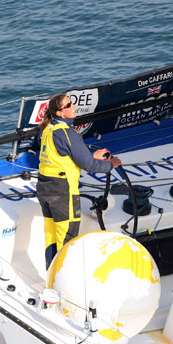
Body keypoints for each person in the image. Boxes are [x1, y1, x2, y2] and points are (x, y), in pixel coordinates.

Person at [37, 93, 122, 269]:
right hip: (62, 192)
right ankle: (61, 284)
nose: (73, 107)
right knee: (67, 237)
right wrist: (110, 165)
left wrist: (90, 157)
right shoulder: (68, 134)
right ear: (60, 113)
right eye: (68, 105)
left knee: (52, 235)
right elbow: (89, 165)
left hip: (45, 188)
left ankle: (51, 276)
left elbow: (64, 159)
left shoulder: (47, 130)